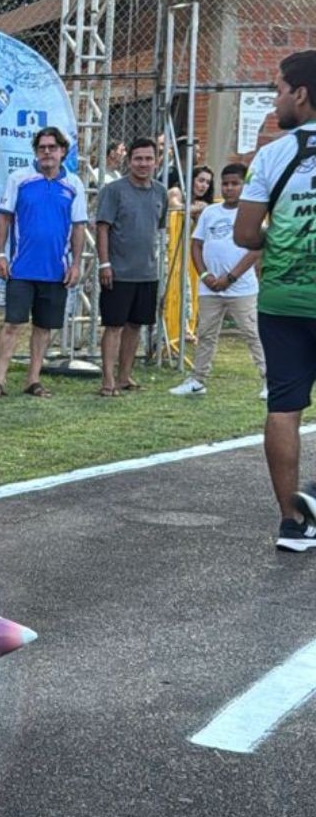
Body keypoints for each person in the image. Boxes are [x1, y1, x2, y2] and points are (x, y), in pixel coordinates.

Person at [233, 49, 316, 553]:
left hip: (283, 299)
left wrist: (280, 239)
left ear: (301, 95)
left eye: (280, 89)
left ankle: (292, 522)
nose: (276, 100)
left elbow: (245, 234)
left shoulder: (272, 155)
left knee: (284, 406)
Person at [0, 127, 86, 399]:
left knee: (43, 327)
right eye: (42, 147)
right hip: (21, 268)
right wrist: (0, 254)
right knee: (12, 324)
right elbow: (4, 218)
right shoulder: (19, 179)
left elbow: (78, 228)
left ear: (62, 151)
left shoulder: (74, 184)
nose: (47, 152)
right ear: (35, 151)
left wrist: (76, 264)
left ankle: (33, 379)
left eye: (52, 147)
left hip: (56, 271)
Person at [170, 163, 266, 399]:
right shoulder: (210, 212)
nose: (230, 188)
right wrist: (205, 275)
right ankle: (198, 379)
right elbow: (196, 245)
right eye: (225, 184)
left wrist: (231, 277)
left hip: (241, 288)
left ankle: (270, 380)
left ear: (244, 185)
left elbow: (256, 250)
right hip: (210, 287)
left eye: (235, 184)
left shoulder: (251, 213)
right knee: (206, 334)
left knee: (253, 333)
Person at [95, 136, 168, 397]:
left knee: (136, 325)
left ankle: (125, 376)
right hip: (118, 271)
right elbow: (102, 228)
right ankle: (108, 379)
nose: (143, 163)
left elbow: (158, 229)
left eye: (149, 158)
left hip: (146, 273)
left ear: (157, 161)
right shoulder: (114, 191)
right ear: (129, 161)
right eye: (138, 158)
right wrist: (105, 263)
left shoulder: (160, 191)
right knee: (114, 325)